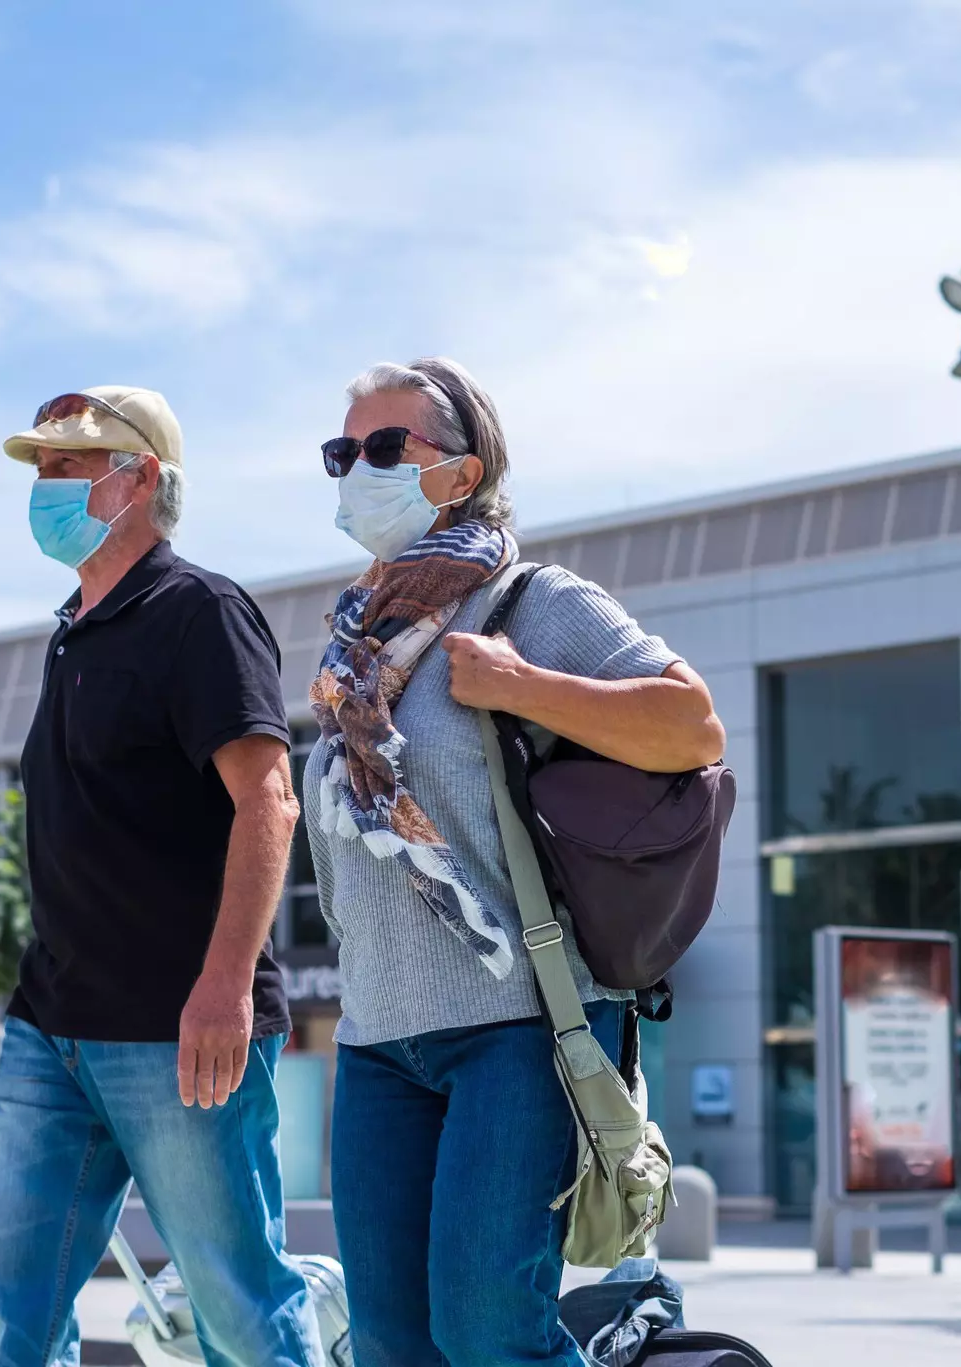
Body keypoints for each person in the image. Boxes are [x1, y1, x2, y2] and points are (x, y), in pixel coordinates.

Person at [304, 358, 725, 1366]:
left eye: (381, 448)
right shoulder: (358, 642)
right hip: (377, 1039)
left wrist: (523, 684)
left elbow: (690, 726)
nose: (353, 469)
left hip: (516, 1027)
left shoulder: (531, 602)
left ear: (462, 469)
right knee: (394, 1347)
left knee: (490, 1333)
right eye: (340, 451)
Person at [0, 387, 319, 1367]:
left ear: (140, 478)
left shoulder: (198, 611)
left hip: (181, 1034)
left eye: (67, 466)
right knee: (10, 1296)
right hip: (51, 1027)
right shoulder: (71, 631)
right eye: (39, 467)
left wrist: (222, 986)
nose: (45, 486)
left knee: (238, 1306)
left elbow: (269, 802)